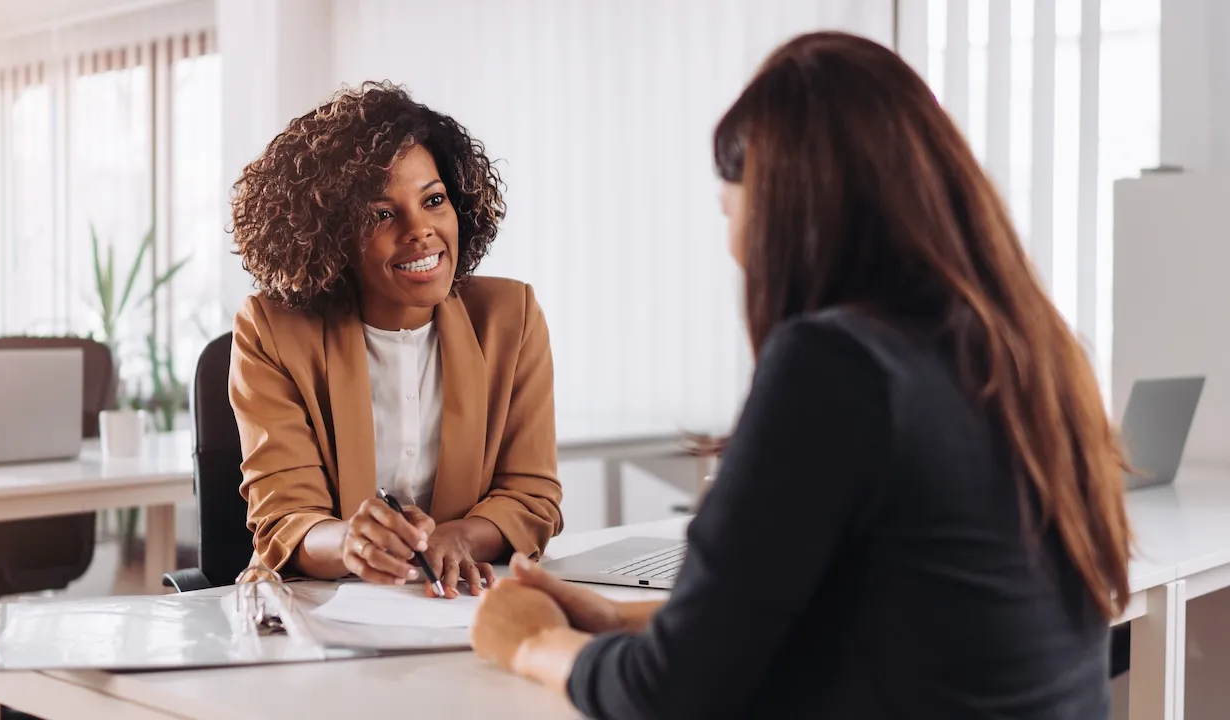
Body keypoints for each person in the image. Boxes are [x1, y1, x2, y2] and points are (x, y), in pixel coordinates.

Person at [470, 31, 1131, 718]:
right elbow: (877, 614)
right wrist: (615, 619)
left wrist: (533, 642)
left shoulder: (838, 367)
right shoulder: (1038, 352)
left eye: (730, 210)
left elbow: (671, 696)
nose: (734, 251)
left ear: (785, 209)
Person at [228, 82, 562, 598]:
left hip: (458, 606)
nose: (421, 230)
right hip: (319, 611)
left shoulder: (509, 318)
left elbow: (531, 496)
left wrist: (459, 539)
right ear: (333, 235)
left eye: (434, 200)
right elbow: (286, 517)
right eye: (382, 214)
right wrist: (349, 543)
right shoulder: (271, 331)